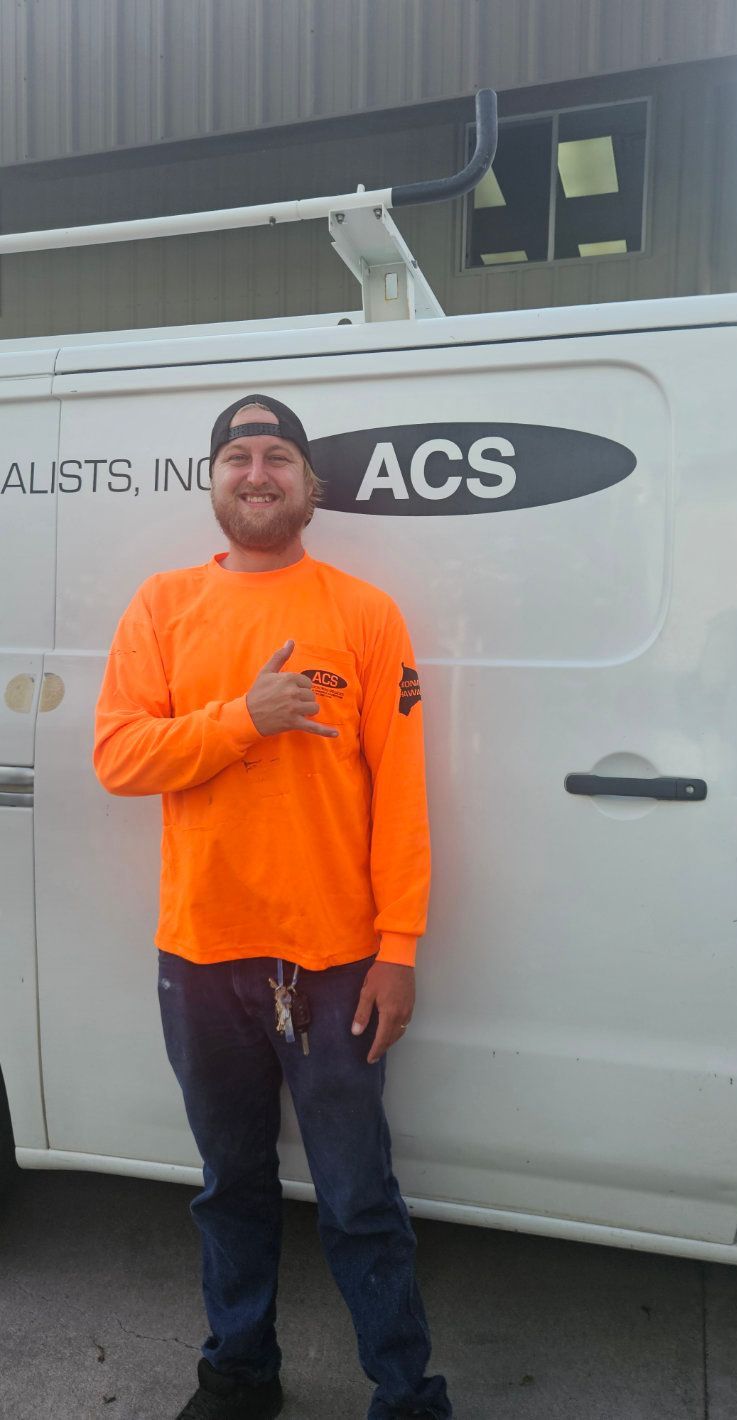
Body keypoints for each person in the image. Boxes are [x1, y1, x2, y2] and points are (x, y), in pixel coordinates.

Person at [93, 395, 451, 1420]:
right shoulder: (162, 606)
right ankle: (240, 1375)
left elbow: (403, 796)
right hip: (200, 956)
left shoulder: (364, 612)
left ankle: (405, 1393)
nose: (258, 471)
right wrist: (241, 719)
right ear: (213, 482)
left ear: (310, 487)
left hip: (335, 961)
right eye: (239, 456)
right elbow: (119, 754)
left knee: (358, 1198)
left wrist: (397, 947)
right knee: (229, 1184)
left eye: (279, 457)